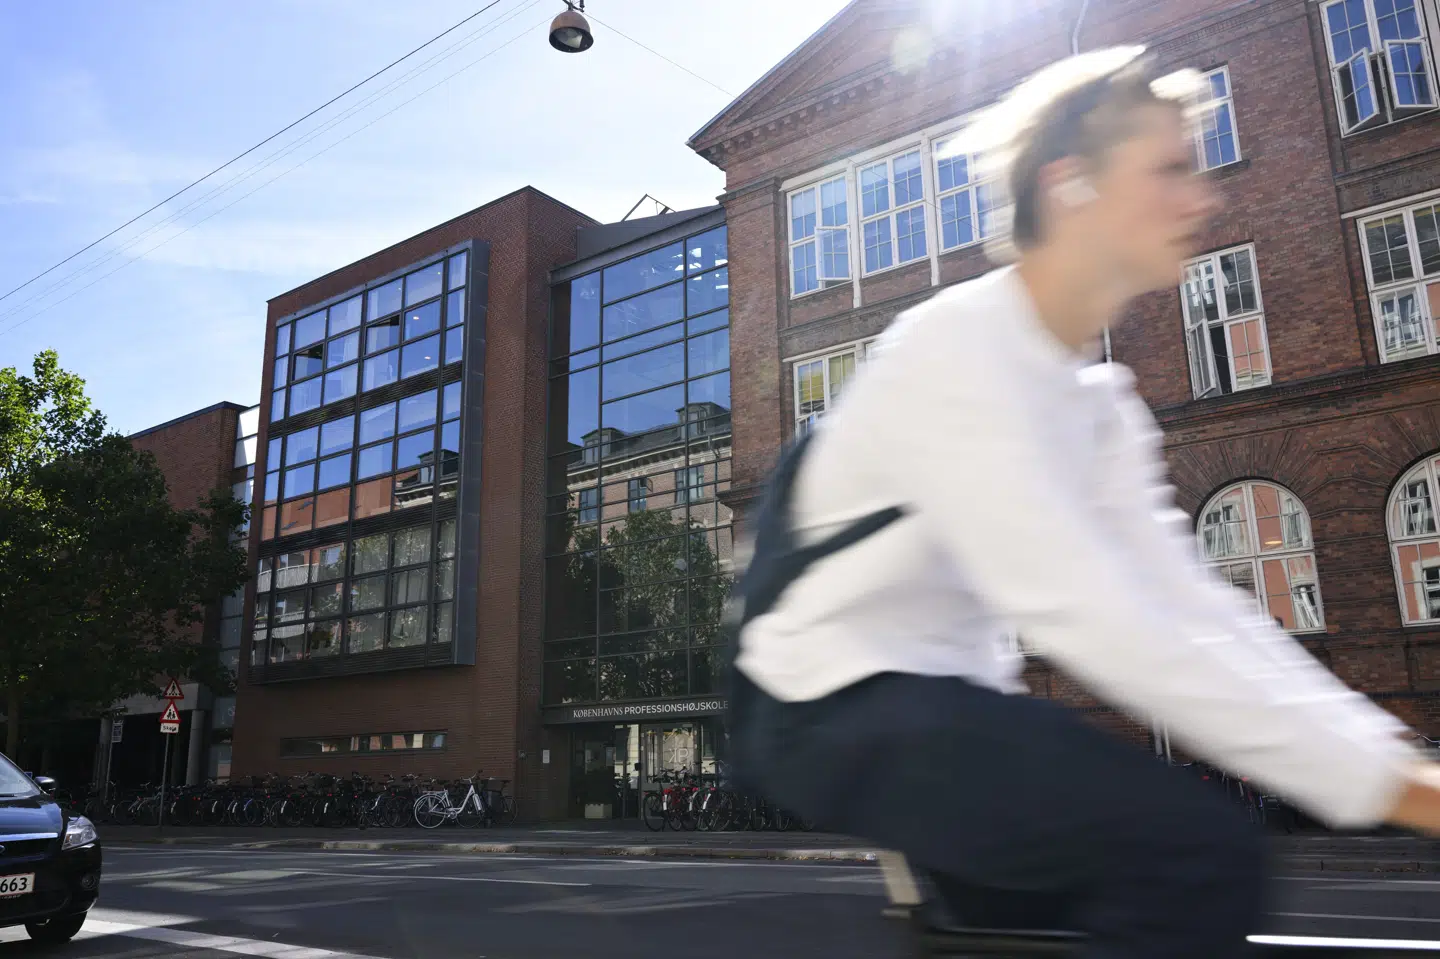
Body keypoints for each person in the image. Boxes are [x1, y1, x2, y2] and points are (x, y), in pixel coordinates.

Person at [724, 47, 1440, 958]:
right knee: (1195, 850)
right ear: (1070, 186)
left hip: (945, 705)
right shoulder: (957, 349)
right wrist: (1394, 787)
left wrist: (1396, 765)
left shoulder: (1101, 410)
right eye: (1169, 169)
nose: (1202, 197)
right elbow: (1098, 616)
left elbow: (1194, 610)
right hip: (828, 704)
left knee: (1047, 915)